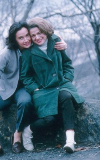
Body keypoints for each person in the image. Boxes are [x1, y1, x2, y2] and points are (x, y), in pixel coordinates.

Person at [0, 21, 67, 160]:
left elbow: (47, 33)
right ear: (14, 40)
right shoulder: (6, 53)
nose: (26, 40)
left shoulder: (35, 46)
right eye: (21, 38)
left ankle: (17, 136)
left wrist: (63, 42)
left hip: (24, 89)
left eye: (27, 36)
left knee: (25, 102)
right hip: (6, 90)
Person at [20, 17, 85, 153]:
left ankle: (70, 141)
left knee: (66, 97)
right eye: (33, 35)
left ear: (45, 31)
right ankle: (27, 131)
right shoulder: (28, 52)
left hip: (62, 85)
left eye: (40, 33)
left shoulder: (56, 42)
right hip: (43, 90)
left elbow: (67, 64)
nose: (37, 37)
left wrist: (67, 77)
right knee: (49, 119)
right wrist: (35, 89)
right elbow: (25, 76)